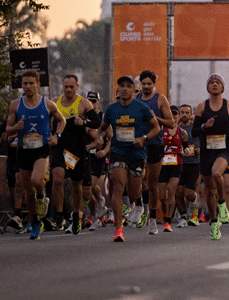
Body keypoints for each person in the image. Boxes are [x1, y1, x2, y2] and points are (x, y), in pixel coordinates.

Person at [97, 75, 160, 242]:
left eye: (128, 86)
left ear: (134, 90)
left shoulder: (141, 108)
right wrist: (98, 137)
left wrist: (144, 138)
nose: (124, 89)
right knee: (117, 186)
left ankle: (137, 203)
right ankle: (118, 229)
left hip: (137, 154)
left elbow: (156, 128)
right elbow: (102, 128)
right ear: (118, 89)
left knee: (133, 193)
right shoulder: (112, 109)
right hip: (118, 152)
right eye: (121, 86)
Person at [6, 69, 66, 240]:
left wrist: (56, 136)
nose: (28, 86)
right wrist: (15, 128)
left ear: (38, 84)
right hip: (24, 150)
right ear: (22, 85)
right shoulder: (16, 105)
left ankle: (42, 196)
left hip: (42, 149)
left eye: (32, 83)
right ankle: (35, 223)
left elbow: (61, 121)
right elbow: (8, 129)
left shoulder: (47, 104)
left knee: (36, 181)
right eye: (25, 83)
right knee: (28, 192)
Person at [192, 73, 229, 240]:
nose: (214, 85)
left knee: (216, 173)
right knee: (209, 189)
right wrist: (205, 126)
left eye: (217, 82)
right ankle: (214, 223)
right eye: (211, 83)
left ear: (222, 87)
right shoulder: (201, 107)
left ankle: (222, 205)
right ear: (207, 87)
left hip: (224, 148)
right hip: (207, 150)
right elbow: (194, 131)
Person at [50, 74, 101, 234]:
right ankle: (59, 215)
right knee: (57, 178)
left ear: (77, 86)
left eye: (72, 86)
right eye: (66, 86)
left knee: (76, 185)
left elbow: (97, 122)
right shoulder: (54, 102)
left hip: (77, 149)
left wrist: (84, 122)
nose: (69, 89)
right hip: (59, 146)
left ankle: (75, 215)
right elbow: (45, 120)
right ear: (62, 87)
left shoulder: (83, 103)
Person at [135, 70, 175, 235]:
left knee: (152, 184)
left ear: (153, 84)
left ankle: (152, 219)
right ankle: (138, 207)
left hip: (155, 145)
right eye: (143, 84)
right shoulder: (135, 99)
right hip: (137, 144)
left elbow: (171, 123)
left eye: (148, 84)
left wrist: (155, 118)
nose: (145, 87)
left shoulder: (160, 99)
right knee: (136, 180)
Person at [159, 105, 189, 232]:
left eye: (175, 115)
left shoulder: (182, 132)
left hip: (177, 164)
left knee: (172, 191)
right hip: (163, 165)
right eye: (171, 115)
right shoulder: (161, 130)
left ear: (178, 117)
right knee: (161, 196)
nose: (173, 117)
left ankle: (168, 221)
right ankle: (167, 213)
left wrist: (186, 150)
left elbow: (186, 146)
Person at [85, 91, 111, 231]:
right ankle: (99, 203)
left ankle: (95, 216)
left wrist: (105, 151)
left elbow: (111, 137)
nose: (91, 102)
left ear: (98, 102)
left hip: (99, 157)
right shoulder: (83, 117)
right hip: (86, 156)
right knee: (89, 189)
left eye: (94, 100)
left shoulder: (103, 117)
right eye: (89, 100)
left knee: (90, 186)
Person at [175, 103, 201, 227]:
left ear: (191, 115)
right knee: (178, 192)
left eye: (187, 112)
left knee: (188, 193)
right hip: (178, 164)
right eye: (182, 112)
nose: (184, 115)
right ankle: (183, 217)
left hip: (193, 164)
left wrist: (201, 149)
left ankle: (194, 200)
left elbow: (204, 142)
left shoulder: (195, 129)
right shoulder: (176, 129)